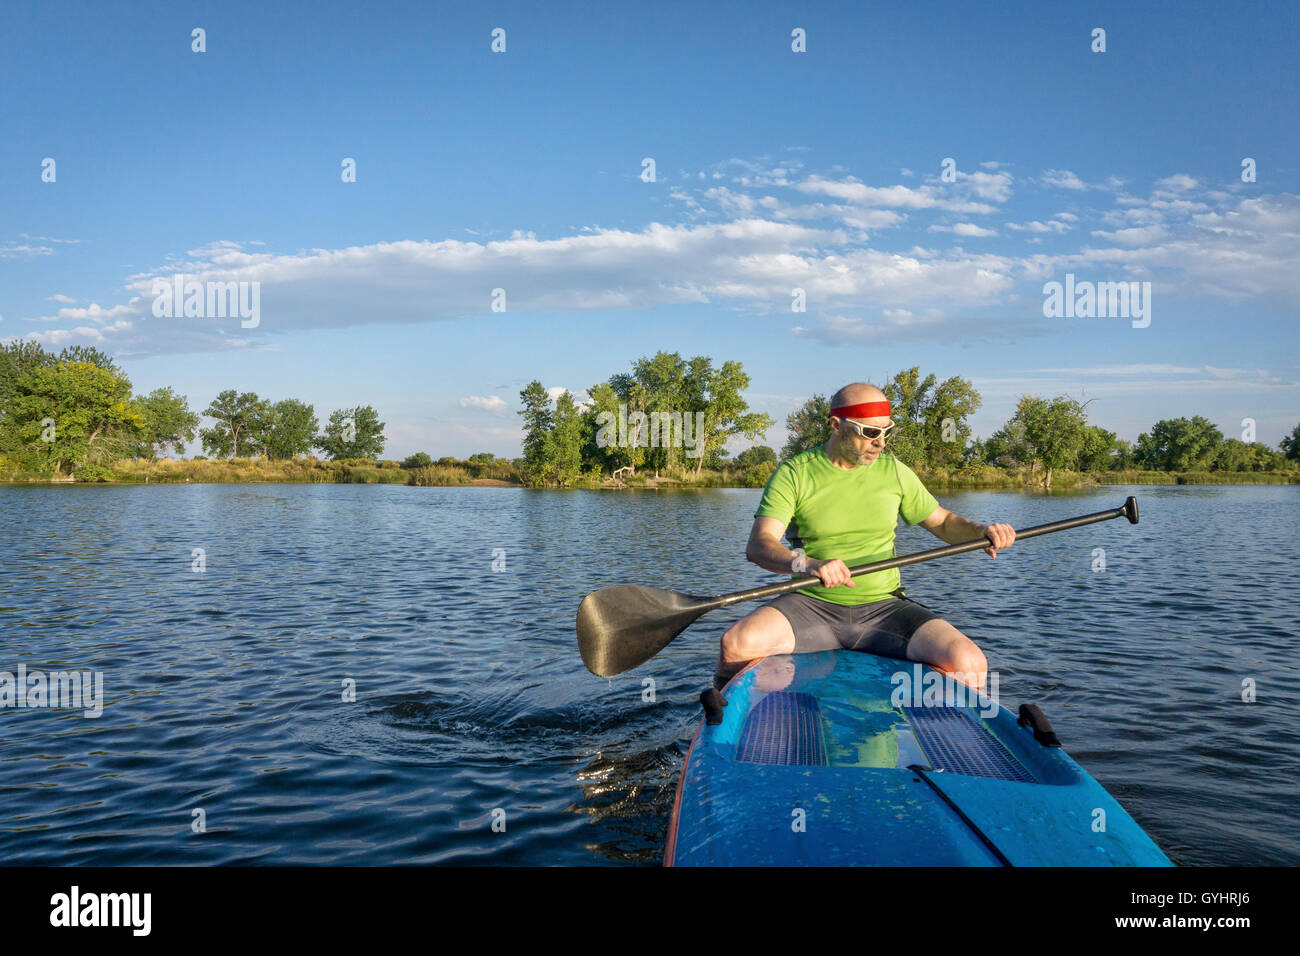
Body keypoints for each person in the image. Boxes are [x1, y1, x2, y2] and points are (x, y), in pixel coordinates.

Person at [718, 382, 1015, 692]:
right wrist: (807, 564)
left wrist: (980, 531)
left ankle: (954, 732)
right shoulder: (795, 473)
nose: (881, 443)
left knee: (969, 662)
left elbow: (943, 521)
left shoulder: (894, 471)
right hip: (811, 604)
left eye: (887, 432)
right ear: (835, 425)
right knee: (736, 644)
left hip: (883, 608)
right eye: (870, 433)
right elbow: (760, 545)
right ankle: (720, 725)